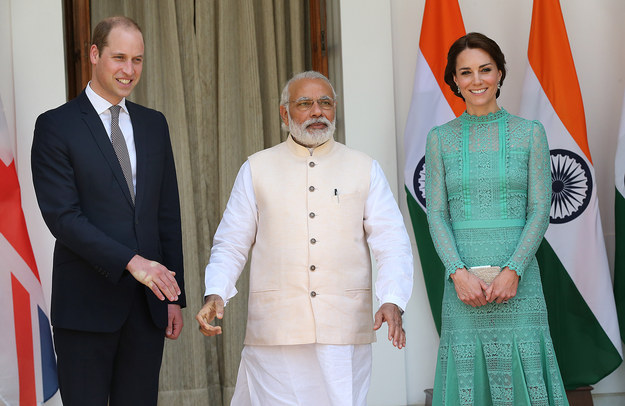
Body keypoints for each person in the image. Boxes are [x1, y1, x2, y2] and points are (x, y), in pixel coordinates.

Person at [195, 71, 413, 405]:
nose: (317, 112)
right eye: (305, 103)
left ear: (335, 109)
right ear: (285, 114)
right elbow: (231, 242)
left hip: (343, 327)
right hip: (276, 331)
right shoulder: (257, 168)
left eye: (325, 103)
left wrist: (392, 298)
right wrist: (217, 291)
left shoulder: (363, 167)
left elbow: (392, 241)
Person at [31, 16, 185, 406]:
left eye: (138, 60)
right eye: (119, 58)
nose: (129, 70)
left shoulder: (154, 124)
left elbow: (166, 214)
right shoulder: (55, 126)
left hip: (147, 309)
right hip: (85, 308)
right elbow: (63, 219)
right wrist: (132, 261)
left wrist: (172, 296)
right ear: (95, 55)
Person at [425, 32, 568, 405]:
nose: (477, 80)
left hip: (518, 282)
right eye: (466, 72)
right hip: (462, 287)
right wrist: (458, 273)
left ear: (500, 73)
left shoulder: (530, 133)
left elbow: (539, 210)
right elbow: (437, 214)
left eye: (485, 69)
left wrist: (514, 269)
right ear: (454, 80)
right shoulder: (440, 138)